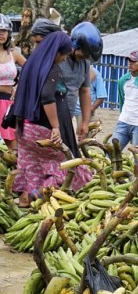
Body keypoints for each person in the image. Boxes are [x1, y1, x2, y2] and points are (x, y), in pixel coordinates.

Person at [11, 31, 92, 206]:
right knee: (68, 166)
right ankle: (38, 195)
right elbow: (47, 96)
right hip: (43, 130)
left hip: (25, 129)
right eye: (64, 55)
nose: (64, 59)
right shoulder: (51, 68)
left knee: (30, 167)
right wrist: (56, 126)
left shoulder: (31, 63)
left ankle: (25, 200)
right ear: (56, 52)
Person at [59, 22, 103, 142]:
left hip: (68, 118)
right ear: (76, 44)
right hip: (51, 119)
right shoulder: (58, 58)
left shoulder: (84, 63)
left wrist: (85, 122)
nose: (85, 57)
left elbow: (85, 91)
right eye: (85, 53)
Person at [0, 14, 26, 150]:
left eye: (4, 31)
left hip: (8, 103)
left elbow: (31, 70)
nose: (1, 34)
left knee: (13, 148)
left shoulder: (14, 53)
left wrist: (19, 86)